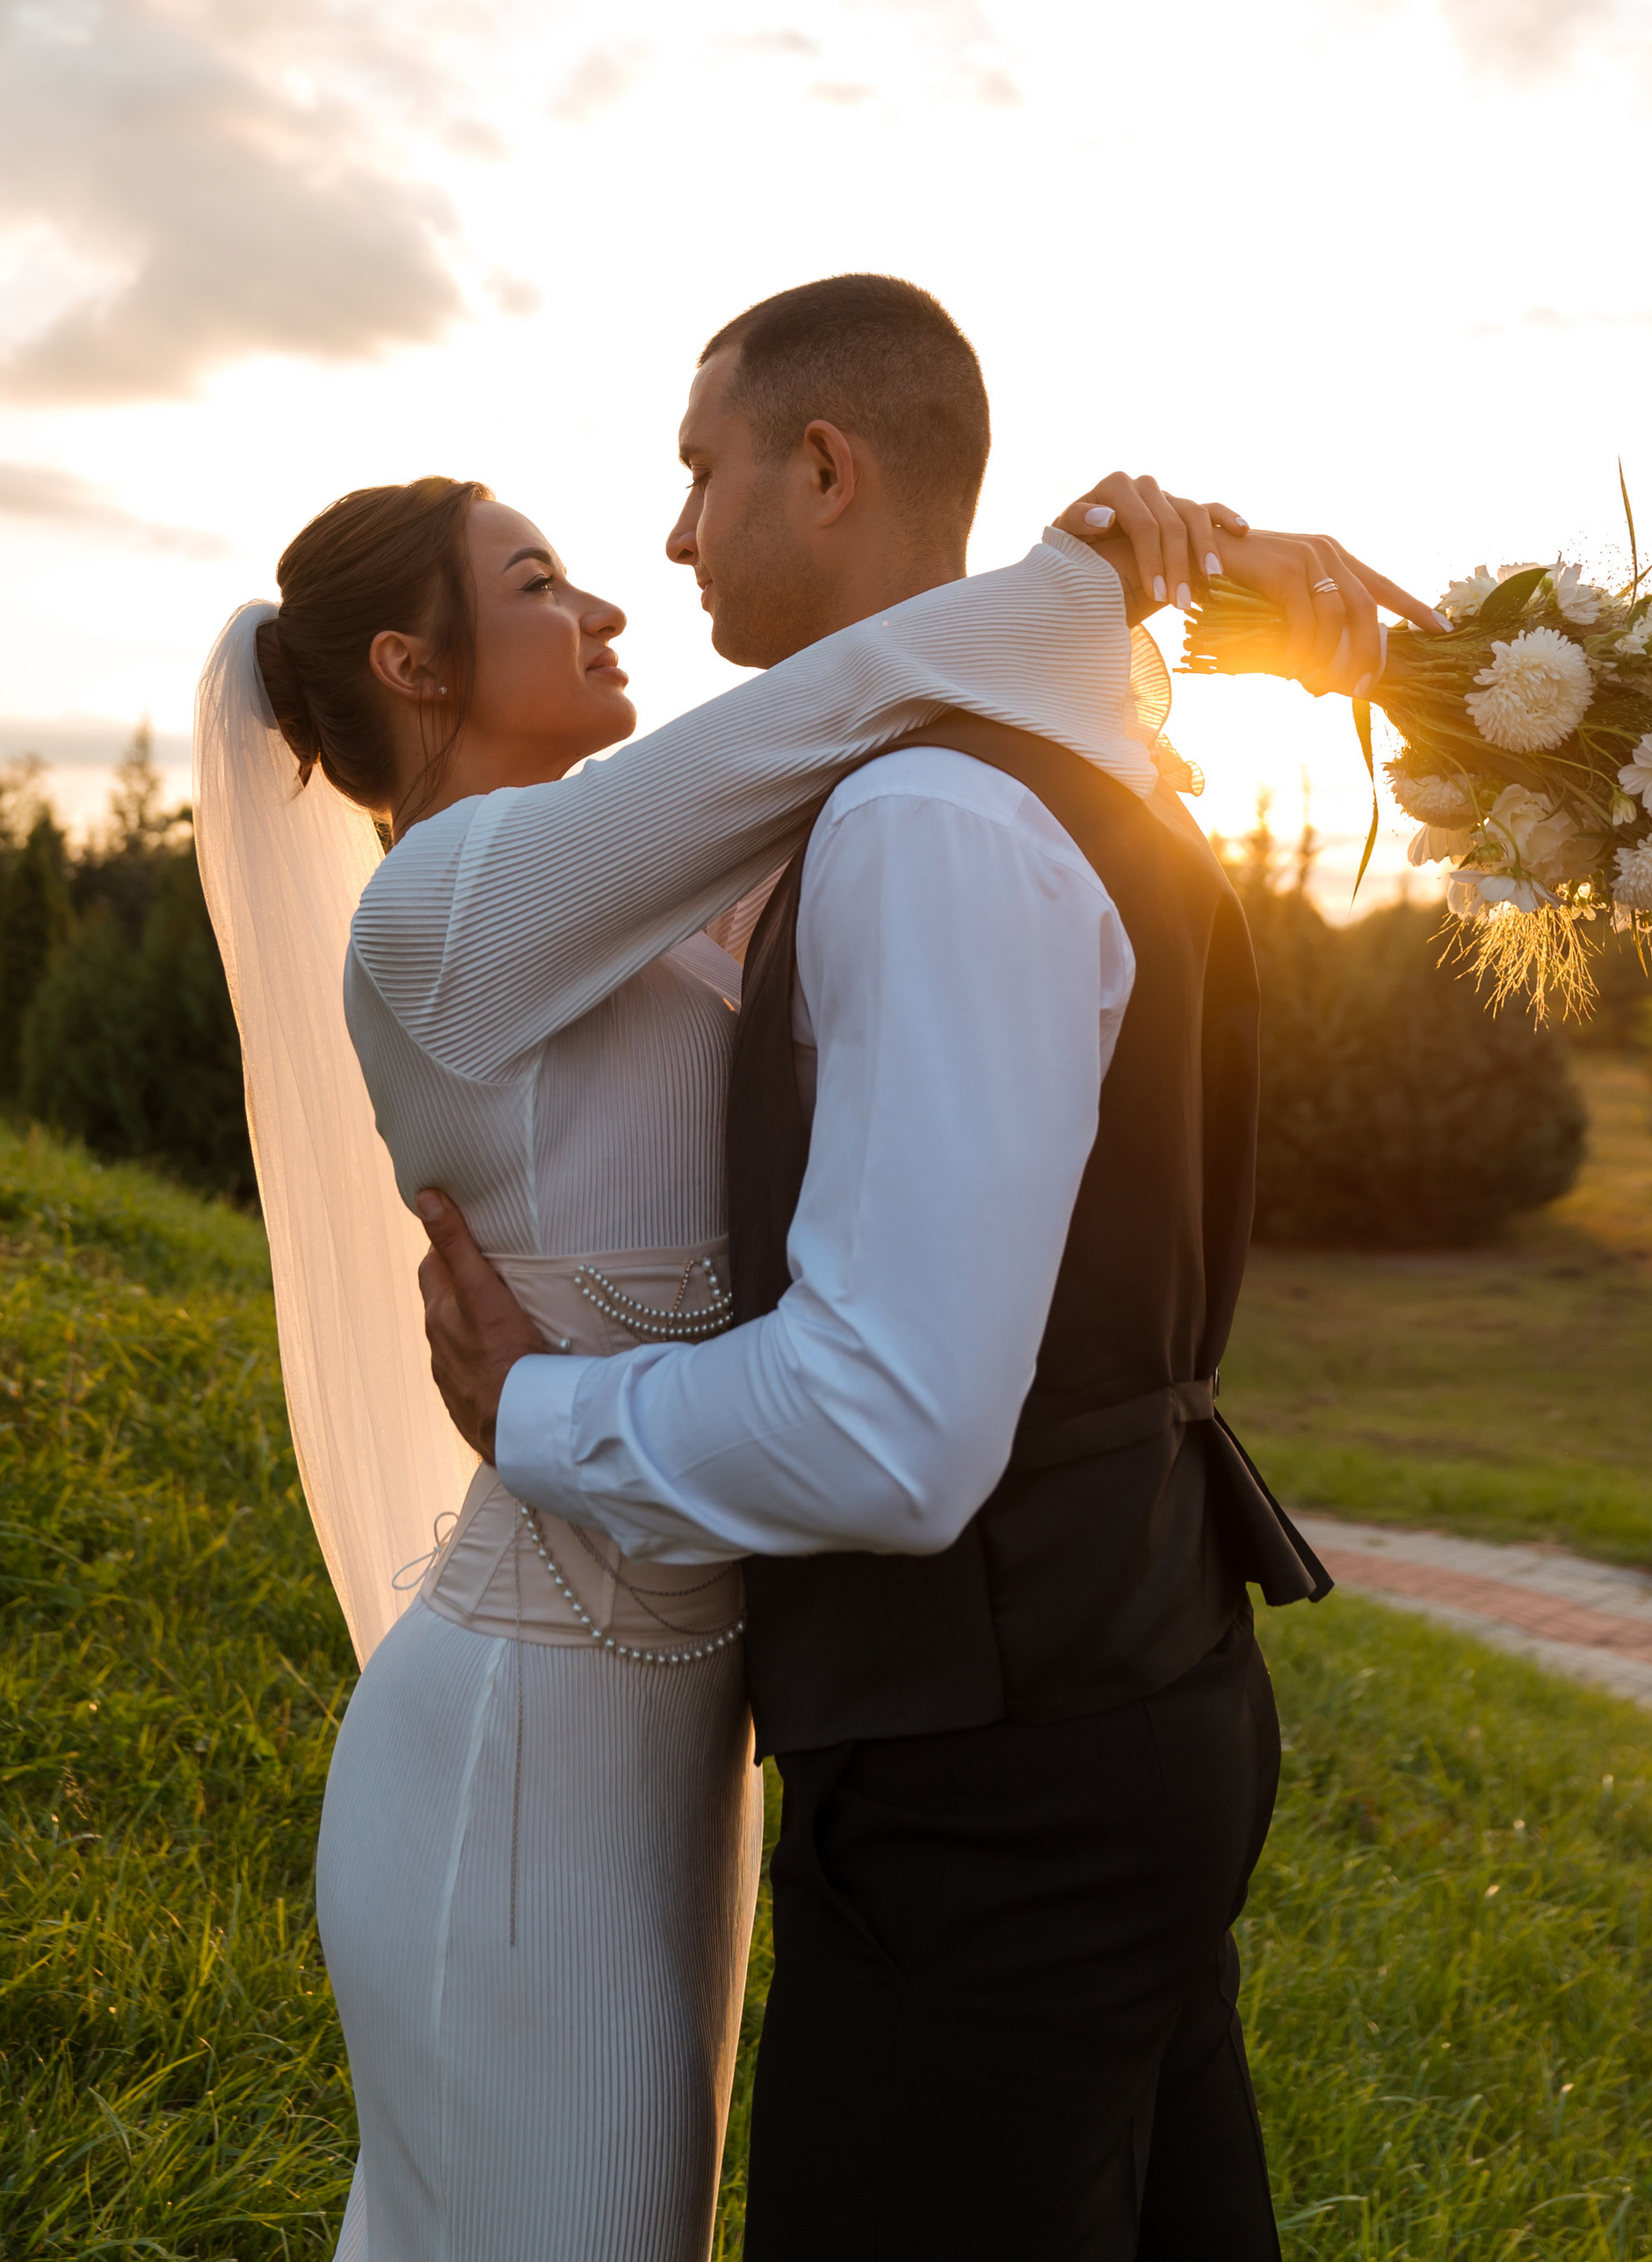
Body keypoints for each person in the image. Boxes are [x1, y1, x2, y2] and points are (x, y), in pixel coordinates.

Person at [411, 274, 1444, 2261]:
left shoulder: (925, 820)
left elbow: (885, 1428)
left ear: (824, 465)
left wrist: (533, 1403)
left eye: (700, 473)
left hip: (1002, 1780)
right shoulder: (1059, 763)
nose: (675, 535)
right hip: (1124, 1679)